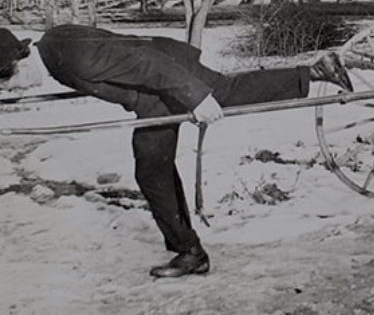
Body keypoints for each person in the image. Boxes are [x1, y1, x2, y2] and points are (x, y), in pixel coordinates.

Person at [0, 24, 352, 278]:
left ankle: (190, 252)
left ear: (20, 61)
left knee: (222, 96)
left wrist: (196, 97)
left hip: (165, 73)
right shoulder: (53, 45)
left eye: (8, 84)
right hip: (154, 94)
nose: (14, 92)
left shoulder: (70, 57)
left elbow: (144, 63)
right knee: (155, 166)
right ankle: (190, 252)